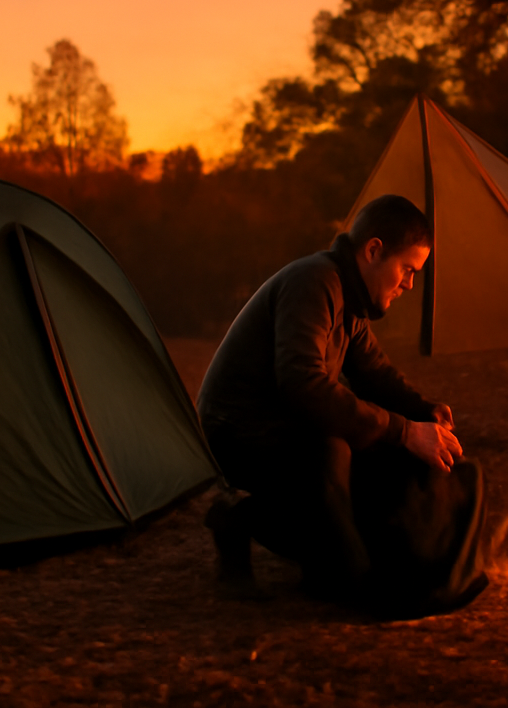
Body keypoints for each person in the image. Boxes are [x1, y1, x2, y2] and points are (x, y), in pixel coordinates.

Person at [196, 194, 487, 616]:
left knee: (379, 454)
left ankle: (256, 520)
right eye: (407, 270)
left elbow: (374, 372)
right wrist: (404, 431)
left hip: (287, 425)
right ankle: (348, 577)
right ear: (373, 251)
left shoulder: (351, 301)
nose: (408, 284)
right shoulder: (314, 282)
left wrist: (422, 412)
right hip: (238, 430)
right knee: (332, 449)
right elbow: (302, 384)